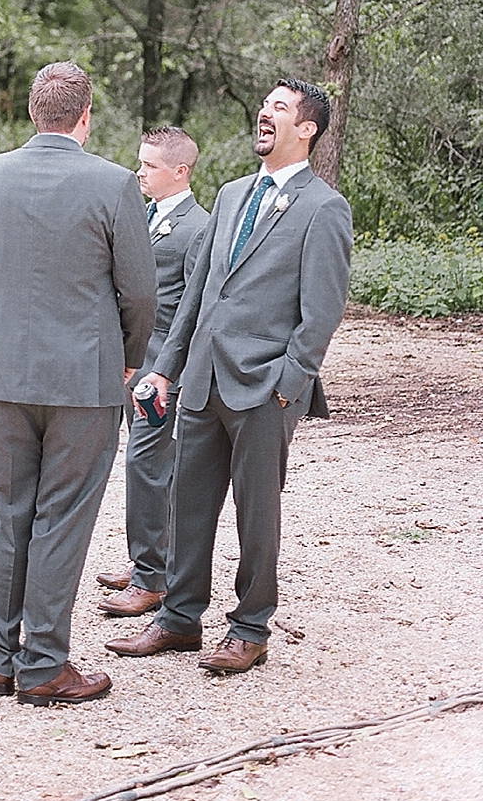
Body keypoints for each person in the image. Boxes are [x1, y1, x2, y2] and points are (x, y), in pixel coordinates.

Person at [107, 79, 351, 675]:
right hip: (202, 382)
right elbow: (197, 294)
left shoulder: (325, 208)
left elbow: (322, 313)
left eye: (281, 109)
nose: (265, 115)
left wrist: (288, 386)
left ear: (307, 129)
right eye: (265, 106)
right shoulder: (234, 193)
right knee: (187, 504)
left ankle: (249, 627)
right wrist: (166, 370)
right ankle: (180, 619)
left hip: (264, 388)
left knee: (255, 511)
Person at [0, 62, 156, 706]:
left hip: (9, 372)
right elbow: (141, 291)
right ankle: (43, 664)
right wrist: (125, 356)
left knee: (12, 514)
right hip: (84, 378)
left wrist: (10, 321)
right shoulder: (115, 183)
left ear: (33, 114)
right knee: (62, 519)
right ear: (85, 118)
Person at [94, 126, 212, 617]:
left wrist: (169, 370)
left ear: (180, 172)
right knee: (143, 466)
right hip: (131, 360)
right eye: (140, 163)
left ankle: (152, 578)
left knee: (148, 465)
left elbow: (194, 307)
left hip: (163, 368)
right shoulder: (140, 214)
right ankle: (147, 560)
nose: (140, 172)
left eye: (151, 166)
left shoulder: (197, 227)